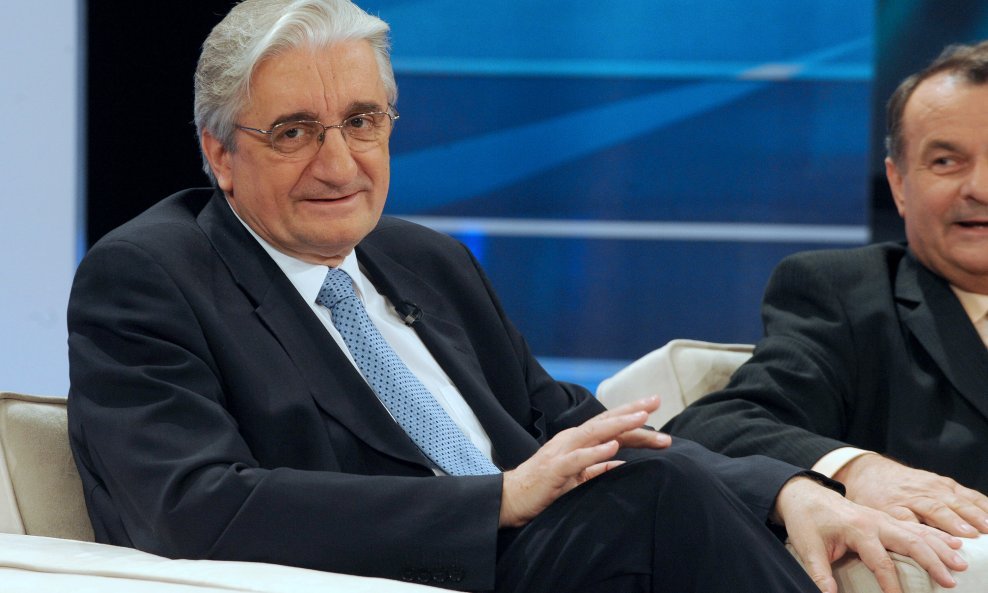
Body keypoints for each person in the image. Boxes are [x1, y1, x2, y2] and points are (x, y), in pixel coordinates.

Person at [66, 2, 964, 592]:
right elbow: (193, 503)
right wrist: (497, 498)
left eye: (363, 122)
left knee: (661, 480)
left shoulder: (423, 260)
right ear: (220, 152)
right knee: (652, 497)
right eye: (294, 132)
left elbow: (574, 424)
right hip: (414, 569)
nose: (339, 164)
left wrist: (782, 489)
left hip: (554, 557)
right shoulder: (149, 275)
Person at [666, 40, 988, 544]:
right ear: (899, 184)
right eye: (946, 161)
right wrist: (861, 471)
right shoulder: (846, 295)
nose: (980, 188)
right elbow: (714, 428)